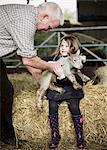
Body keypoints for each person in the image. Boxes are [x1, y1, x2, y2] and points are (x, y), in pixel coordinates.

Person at [0, 2, 64, 144]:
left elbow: (24, 54)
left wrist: (43, 82)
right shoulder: (25, 21)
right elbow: (28, 59)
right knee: (5, 91)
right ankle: (7, 137)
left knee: (5, 91)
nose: (47, 30)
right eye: (49, 27)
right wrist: (50, 66)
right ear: (44, 17)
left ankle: (7, 137)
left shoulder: (27, 15)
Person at [46, 35, 87, 149]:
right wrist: (53, 72)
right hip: (59, 88)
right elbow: (52, 79)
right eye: (61, 46)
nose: (63, 48)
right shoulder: (56, 59)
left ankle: (80, 135)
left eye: (66, 46)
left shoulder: (75, 60)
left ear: (73, 48)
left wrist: (63, 76)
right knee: (52, 104)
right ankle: (55, 134)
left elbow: (77, 79)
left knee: (74, 106)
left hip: (72, 89)